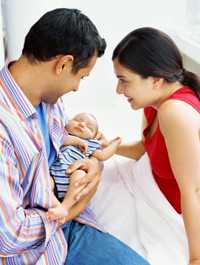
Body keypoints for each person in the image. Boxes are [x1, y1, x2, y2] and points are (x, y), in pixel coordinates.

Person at [0, 8, 150, 265]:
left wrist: (93, 165)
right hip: (36, 249)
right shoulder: (5, 129)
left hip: (71, 229)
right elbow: (8, 236)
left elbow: (67, 147)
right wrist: (71, 210)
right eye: (80, 76)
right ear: (63, 64)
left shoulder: (48, 99)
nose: (76, 87)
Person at [104, 27, 200, 265]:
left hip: (174, 208)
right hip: (150, 181)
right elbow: (147, 149)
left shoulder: (174, 112)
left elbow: (193, 191)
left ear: (156, 80)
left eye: (123, 81)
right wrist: (113, 147)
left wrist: (196, 257)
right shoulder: (153, 102)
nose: (118, 90)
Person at [47, 112, 121, 221]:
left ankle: (64, 207)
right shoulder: (63, 133)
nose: (82, 124)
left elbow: (103, 155)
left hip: (71, 177)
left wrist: (114, 145)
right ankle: (55, 205)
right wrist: (77, 141)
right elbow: (59, 140)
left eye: (89, 127)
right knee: (46, 183)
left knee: (80, 175)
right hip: (53, 173)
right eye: (78, 120)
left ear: (93, 137)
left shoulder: (90, 144)